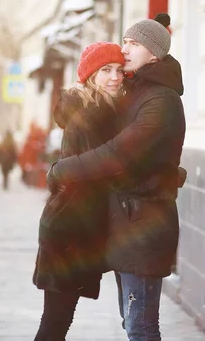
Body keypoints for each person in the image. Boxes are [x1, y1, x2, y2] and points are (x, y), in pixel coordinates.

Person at [47, 13, 186, 341]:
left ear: (154, 54)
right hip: (126, 226)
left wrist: (62, 170)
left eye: (134, 43)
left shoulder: (161, 100)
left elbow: (118, 154)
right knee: (131, 322)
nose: (124, 49)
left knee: (141, 327)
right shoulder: (135, 91)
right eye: (124, 40)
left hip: (144, 229)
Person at [33, 42, 126, 340]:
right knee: (55, 323)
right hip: (69, 233)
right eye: (106, 71)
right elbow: (99, 170)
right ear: (89, 76)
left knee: (57, 322)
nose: (115, 77)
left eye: (119, 70)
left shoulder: (97, 108)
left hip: (74, 230)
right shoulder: (91, 115)